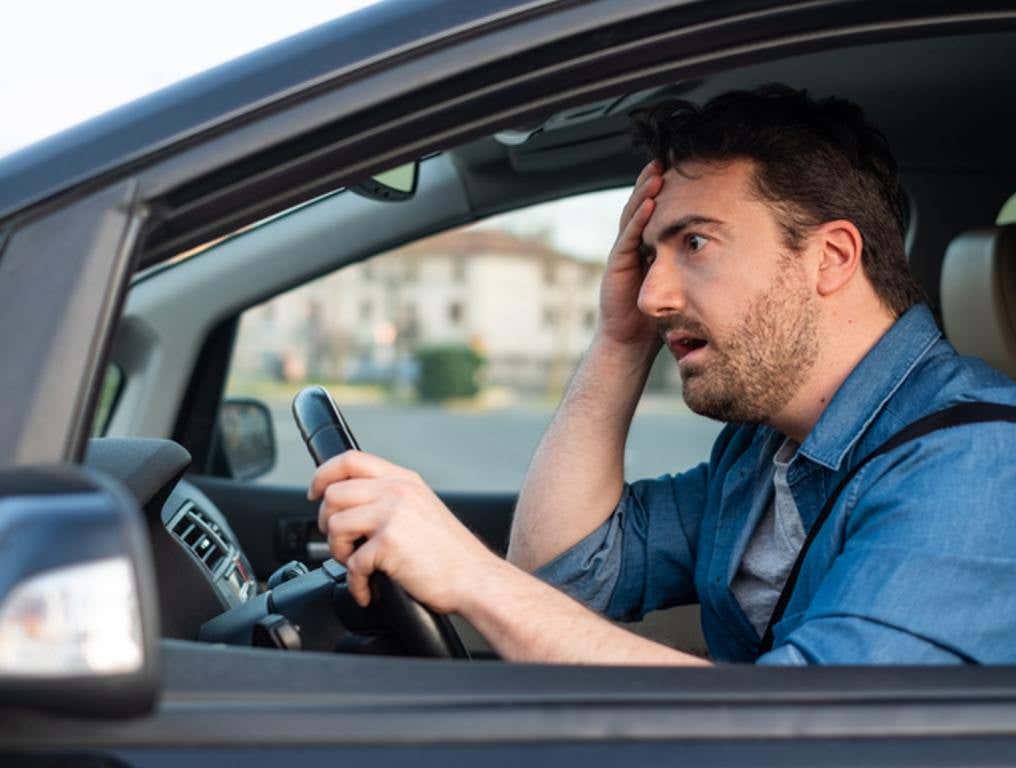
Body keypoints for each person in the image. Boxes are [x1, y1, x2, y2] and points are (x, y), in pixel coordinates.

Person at [308, 85, 1016, 664]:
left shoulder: (976, 465)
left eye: (696, 242)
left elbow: (797, 738)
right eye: (651, 255)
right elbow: (566, 572)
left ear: (830, 257)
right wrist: (619, 340)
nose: (654, 296)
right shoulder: (764, 448)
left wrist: (471, 575)